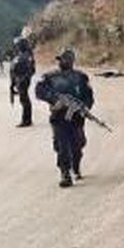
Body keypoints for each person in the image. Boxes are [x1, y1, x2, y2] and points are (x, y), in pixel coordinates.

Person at [35, 48, 95, 188]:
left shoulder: (81, 77)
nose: (62, 62)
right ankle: (65, 173)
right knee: (61, 145)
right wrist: (55, 100)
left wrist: (84, 107)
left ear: (72, 61)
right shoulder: (50, 77)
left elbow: (88, 96)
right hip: (59, 116)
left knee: (78, 144)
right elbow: (39, 91)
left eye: (66, 59)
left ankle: (76, 165)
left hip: (76, 117)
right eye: (60, 59)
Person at [10, 37, 36, 127]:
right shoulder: (20, 55)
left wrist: (24, 78)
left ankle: (27, 120)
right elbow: (13, 69)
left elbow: (31, 70)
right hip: (18, 79)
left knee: (24, 100)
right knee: (23, 99)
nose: (17, 47)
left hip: (23, 80)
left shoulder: (27, 55)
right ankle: (26, 119)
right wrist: (13, 83)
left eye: (18, 45)